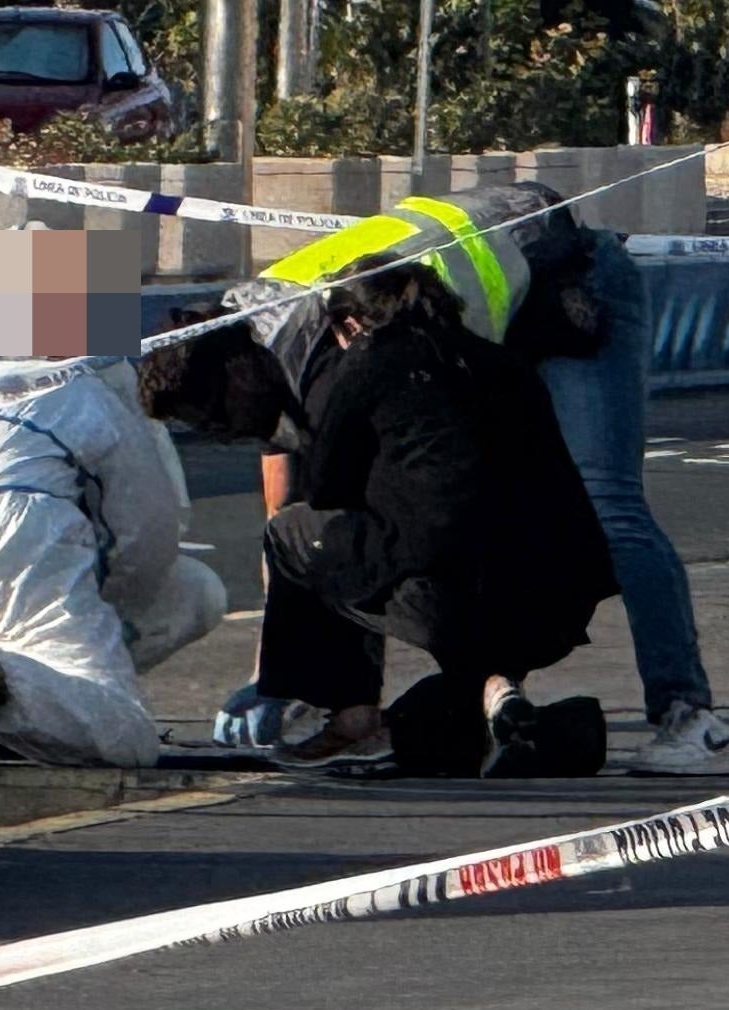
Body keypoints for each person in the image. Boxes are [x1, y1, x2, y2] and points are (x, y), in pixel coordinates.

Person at [223, 179, 729, 776]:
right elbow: (292, 512)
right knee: (476, 500)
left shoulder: (311, 335)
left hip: (570, 280)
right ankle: (489, 694)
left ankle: (688, 717)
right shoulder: (270, 333)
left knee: (605, 500)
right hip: (490, 304)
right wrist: (275, 674)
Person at [157, 263, 613, 777]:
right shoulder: (500, 360)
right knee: (433, 733)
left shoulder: (365, 365)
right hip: (561, 601)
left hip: (456, 599)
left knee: (295, 533)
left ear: (352, 324)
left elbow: (328, 491)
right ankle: (499, 697)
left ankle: (350, 716)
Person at [0, 242, 225, 772]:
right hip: (4, 568)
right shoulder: (79, 386)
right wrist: (93, 594)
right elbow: (149, 532)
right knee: (125, 732)